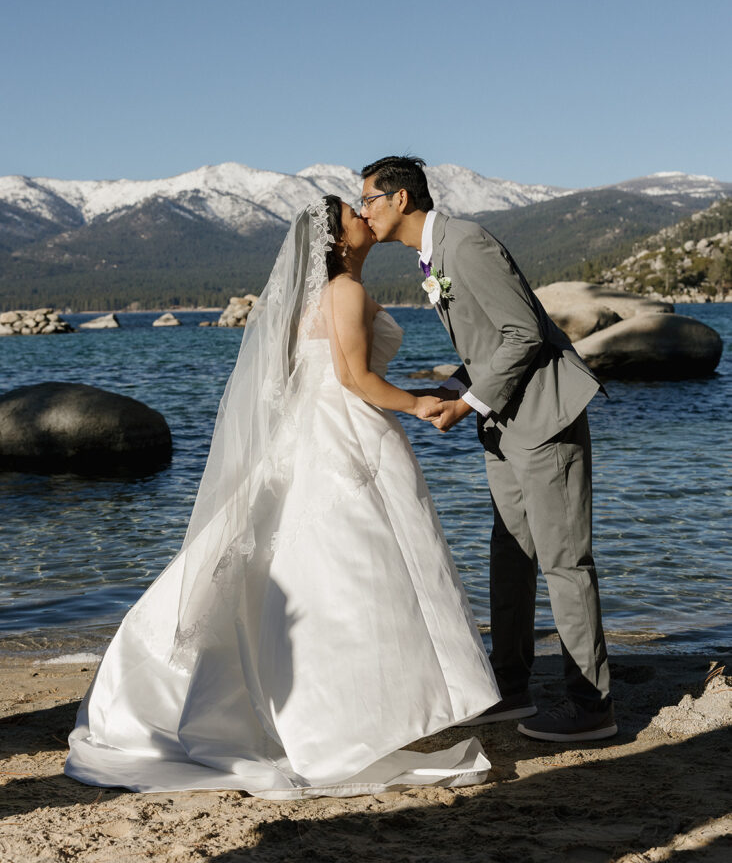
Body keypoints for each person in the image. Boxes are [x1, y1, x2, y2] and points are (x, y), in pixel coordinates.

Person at [65, 196, 500, 799]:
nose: (363, 215)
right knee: (358, 572)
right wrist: (420, 403)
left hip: (311, 434)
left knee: (325, 570)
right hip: (346, 431)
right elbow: (353, 380)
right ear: (336, 239)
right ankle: (344, 724)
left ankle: (339, 715)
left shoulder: (308, 299)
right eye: (352, 212)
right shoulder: (343, 290)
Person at [359, 156, 616, 742]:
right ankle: (511, 686)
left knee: (564, 562)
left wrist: (469, 404)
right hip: (505, 424)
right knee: (510, 556)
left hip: (545, 418)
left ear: (401, 200)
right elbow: (487, 346)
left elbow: (524, 332)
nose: (363, 211)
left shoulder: (466, 243)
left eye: (369, 199)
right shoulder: (436, 254)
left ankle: (591, 705)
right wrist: (450, 390)